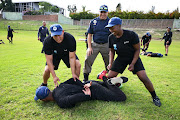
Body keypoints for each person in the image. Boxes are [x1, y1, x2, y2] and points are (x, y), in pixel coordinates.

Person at [103, 17, 161, 107]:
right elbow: (112, 51)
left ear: (119, 26)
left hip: (133, 57)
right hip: (121, 58)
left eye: (112, 27)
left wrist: (133, 63)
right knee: (109, 78)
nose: (111, 30)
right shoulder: (111, 37)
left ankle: (155, 96)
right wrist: (110, 63)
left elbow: (137, 50)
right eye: (109, 28)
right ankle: (117, 87)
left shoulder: (131, 35)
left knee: (143, 77)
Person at [34, 77, 127, 108]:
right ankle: (107, 82)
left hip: (93, 90)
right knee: (105, 86)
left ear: (44, 99)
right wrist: (83, 85)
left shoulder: (60, 101)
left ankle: (109, 82)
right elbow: (73, 79)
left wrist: (86, 95)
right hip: (89, 83)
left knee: (121, 97)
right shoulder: (59, 87)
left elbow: (72, 99)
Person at [83, 5, 111, 82]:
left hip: (106, 44)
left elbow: (113, 35)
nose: (103, 14)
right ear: (99, 12)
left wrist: (111, 47)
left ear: (107, 12)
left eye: (104, 12)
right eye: (101, 12)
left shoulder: (110, 22)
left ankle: (110, 78)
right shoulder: (94, 21)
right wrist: (89, 47)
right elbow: (89, 34)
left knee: (109, 62)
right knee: (88, 59)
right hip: (95, 44)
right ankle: (85, 78)